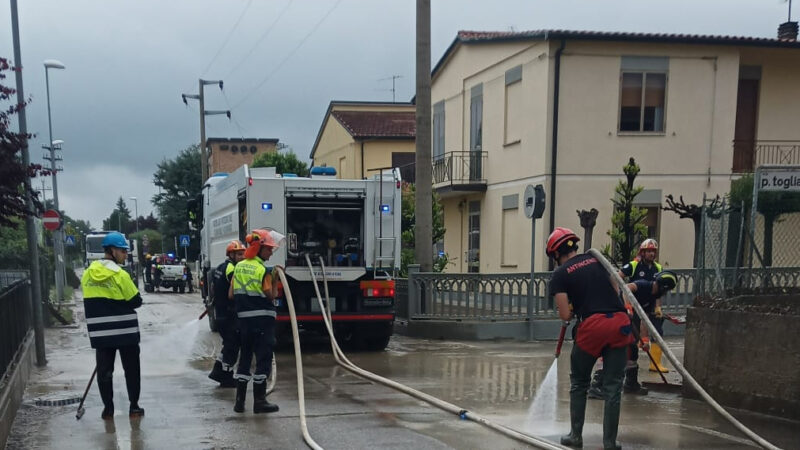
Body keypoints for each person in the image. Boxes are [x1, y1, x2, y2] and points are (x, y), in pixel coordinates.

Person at [547, 227, 632, 450]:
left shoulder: (560, 274)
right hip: (619, 322)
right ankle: (610, 443)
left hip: (593, 327)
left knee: (579, 383)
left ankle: (576, 436)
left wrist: (576, 307)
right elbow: (616, 288)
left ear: (556, 254)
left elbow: (565, 315)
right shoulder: (597, 259)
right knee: (613, 386)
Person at [81, 231, 145, 420]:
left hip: (101, 334)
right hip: (125, 332)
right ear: (112, 250)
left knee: (104, 372)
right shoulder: (120, 274)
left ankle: (107, 409)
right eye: (123, 251)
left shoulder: (88, 274)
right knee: (132, 370)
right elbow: (136, 301)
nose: (126, 254)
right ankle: (134, 407)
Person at [229, 229, 281, 414]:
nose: (270, 252)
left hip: (244, 322)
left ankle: (239, 402)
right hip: (263, 322)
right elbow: (271, 295)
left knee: (244, 359)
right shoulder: (263, 270)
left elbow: (231, 294)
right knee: (263, 359)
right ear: (258, 249)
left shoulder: (239, 266)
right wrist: (274, 280)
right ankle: (259, 402)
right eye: (268, 249)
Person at [207, 240, 246, 388]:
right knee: (233, 346)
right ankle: (226, 377)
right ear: (231, 254)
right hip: (229, 314)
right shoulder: (232, 269)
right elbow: (234, 290)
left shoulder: (221, 267)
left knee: (229, 344)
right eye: (239, 254)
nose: (242, 257)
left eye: (243, 253)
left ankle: (218, 371)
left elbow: (214, 287)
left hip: (221, 313)